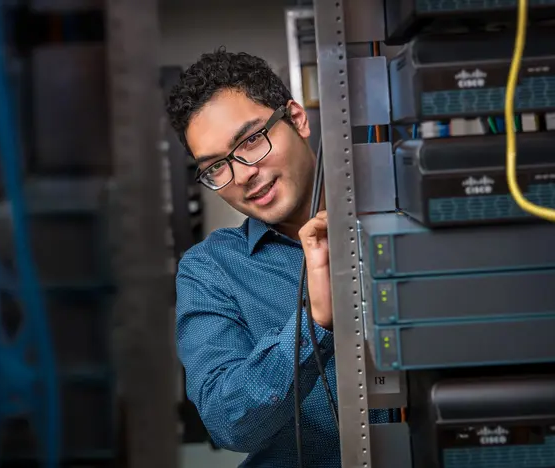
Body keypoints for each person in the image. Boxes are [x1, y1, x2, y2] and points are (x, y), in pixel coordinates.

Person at [166, 49, 390, 468]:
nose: (244, 173)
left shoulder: (393, 213)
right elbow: (229, 422)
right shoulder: (210, 270)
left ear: (296, 119)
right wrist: (313, 325)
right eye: (217, 167)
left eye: (251, 140)